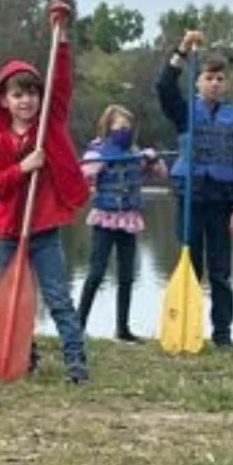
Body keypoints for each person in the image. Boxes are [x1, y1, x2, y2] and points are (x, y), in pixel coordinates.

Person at [0, 1, 90, 383]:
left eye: (32, 93)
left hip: (43, 231)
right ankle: (21, 356)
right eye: (17, 95)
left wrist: (59, 38)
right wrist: (22, 168)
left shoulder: (50, 123)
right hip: (7, 234)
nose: (26, 101)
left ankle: (76, 361)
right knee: (14, 299)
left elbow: (61, 81)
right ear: (3, 100)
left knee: (58, 298)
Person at [156, 30, 233, 349]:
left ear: (226, 84)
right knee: (191, 266)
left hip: (222, 203)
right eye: (209, 77)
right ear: (198, 82)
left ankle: (222, 335)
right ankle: (187, 328)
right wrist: (182, 50)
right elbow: (164, 87)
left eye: (220, 78)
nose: (214, 83)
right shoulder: (185, 114)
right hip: (190, 200)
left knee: (221, 272)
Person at [76, 105, 167, 342]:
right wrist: (95, 163)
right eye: (120, 127)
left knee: (126, 275)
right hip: (105, 219)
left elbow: (161, 174)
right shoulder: (98, 151)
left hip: (128, 219)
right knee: (96, 273)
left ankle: (122, 329)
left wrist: (153, 159)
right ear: (108, 127)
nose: (125, 131)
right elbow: (83, 175)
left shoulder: (137, 153)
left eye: (128, 127)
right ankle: (77, 325)